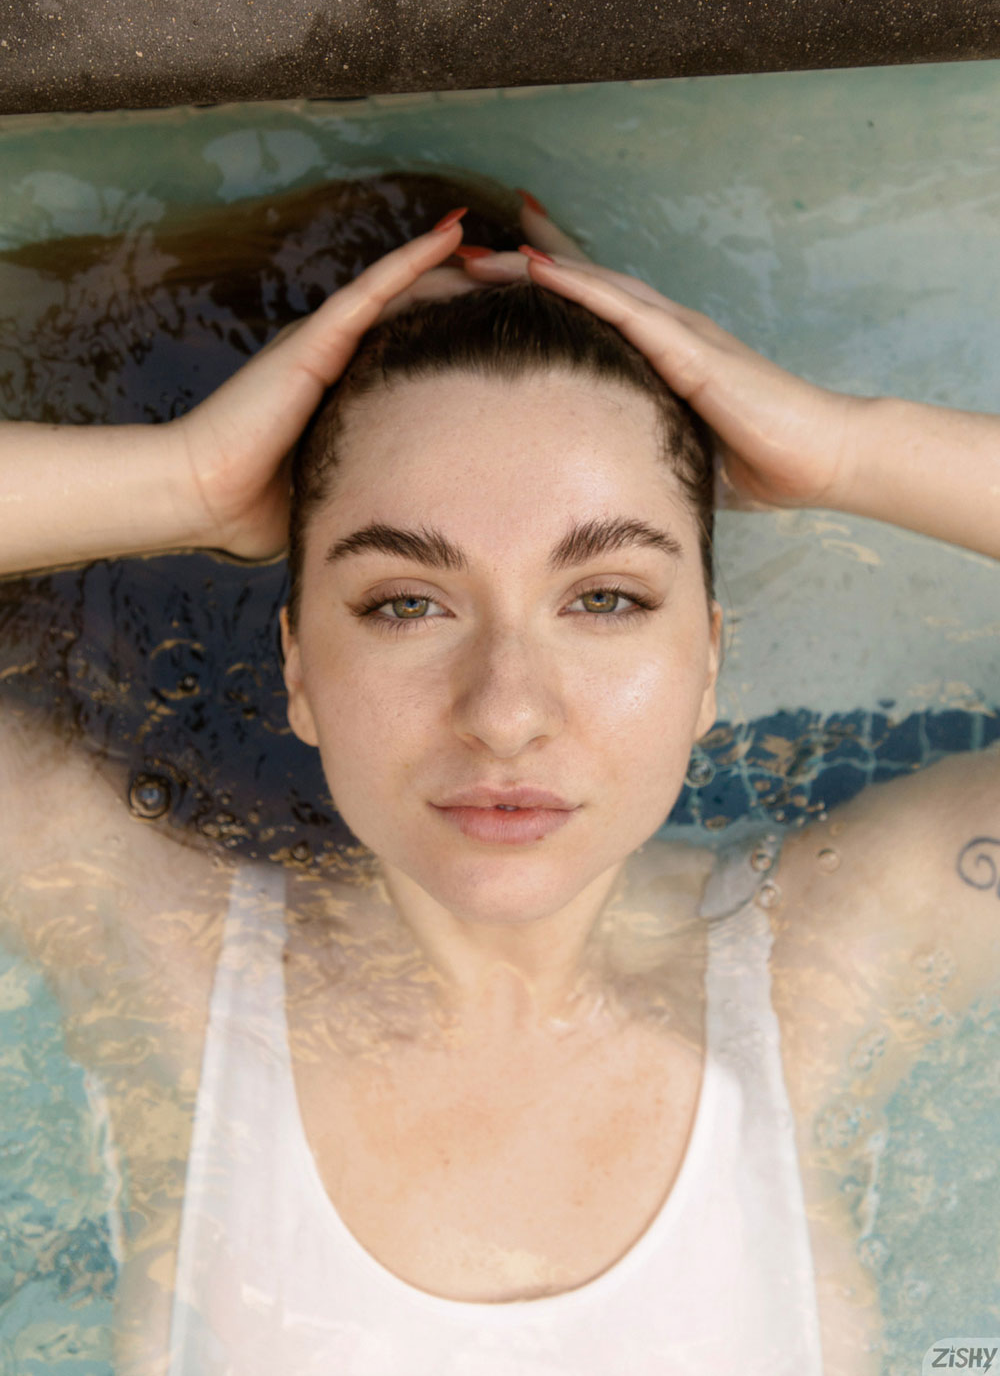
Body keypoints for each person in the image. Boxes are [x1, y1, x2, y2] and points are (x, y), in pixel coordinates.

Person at [0, 184, 997, 1376]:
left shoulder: (826, 973)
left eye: (606, 598)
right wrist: (184, 480)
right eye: (406, 603)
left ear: (709, 663)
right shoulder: (159, 956)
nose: (507, 712)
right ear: (300, 668)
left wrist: (842, 446)